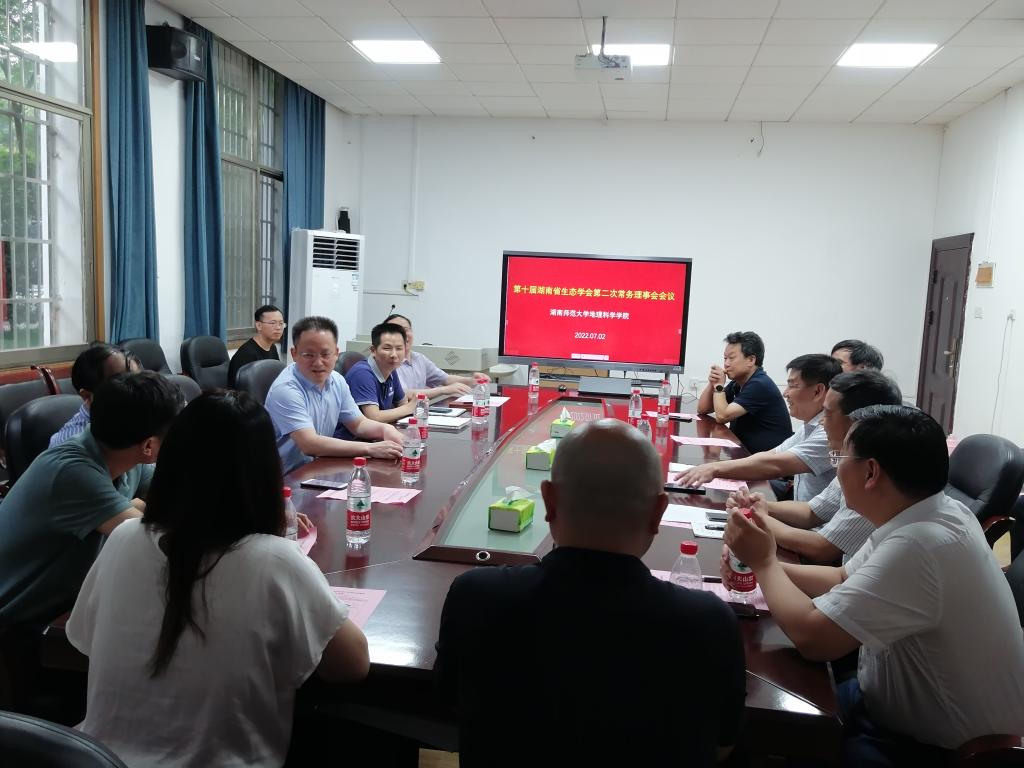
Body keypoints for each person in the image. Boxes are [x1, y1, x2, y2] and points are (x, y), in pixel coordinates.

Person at [66, 391, 370, 766]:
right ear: (265, 473)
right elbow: (352, 665)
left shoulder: (124, 538)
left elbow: (84, 639)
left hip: (100, 760)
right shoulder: (274, 560)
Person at [723, 405, 1024, 765]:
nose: (836, 469)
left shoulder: (920, 545)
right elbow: (840, 578)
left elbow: (814, 639)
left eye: (840, 457)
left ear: (870, 472)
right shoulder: (933, 513)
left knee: (747, 727)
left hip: (929, 750)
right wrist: (759, 564)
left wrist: (764, 563)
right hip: (881, 701)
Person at [435, 419, 745, 767]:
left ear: (548, 501)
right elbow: (722, 745)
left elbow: (448, 703)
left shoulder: (476, 597)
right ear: (658, 512)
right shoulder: (709, 623)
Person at [0, 372, 183, 628]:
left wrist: (136, 508)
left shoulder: (123, 454)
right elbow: (156, 541)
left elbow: (174, 498)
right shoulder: (72, 472)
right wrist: (136, 508)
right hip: (21, 623)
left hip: (70, 600)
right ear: (149, 447)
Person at [727, 370, 903, 565]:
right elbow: (812, 512)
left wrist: (758, 518)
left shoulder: (876, 479)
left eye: (828, 413)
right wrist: (759, 506)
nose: (821, 421)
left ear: (858, 423)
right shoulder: (852, 460)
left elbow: (822, 549)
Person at [677, 354, 841, 503]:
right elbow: (772, 455)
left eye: (792, 386)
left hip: (808, 517)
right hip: (798, 505)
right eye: (725, 358)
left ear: (818, 391)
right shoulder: (810, 425)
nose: (785, 393)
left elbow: (776, 465)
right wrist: (714, 467)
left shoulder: (829, 433)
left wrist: (714, 468)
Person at [265, 316, 403, 474]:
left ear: (336, 353)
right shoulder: (286, 389)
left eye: (325, 354)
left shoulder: (336, 380)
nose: (318, 362)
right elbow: (309, 444)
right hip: (286, 477)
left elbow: (358, 424)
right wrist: (370, 448)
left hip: (320, 467)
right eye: (309, 355)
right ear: (294, 353)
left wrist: (385, 429)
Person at [697, 331, 793, 454]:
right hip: (744, 453)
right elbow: (703, 409)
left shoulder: (759, 384)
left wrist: (719, 386)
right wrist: (713, 383)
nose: (726, 364)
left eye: (731, 358)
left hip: (767, 461)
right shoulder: (738, 383)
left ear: (751, 360)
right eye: (725, 358)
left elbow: (722, 416)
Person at [50, 342, 139, 448]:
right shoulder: (71, 447)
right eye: (123, 384)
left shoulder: (132, 419)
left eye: (138, 379)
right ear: (88, 396)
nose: (139, 390)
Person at [338, 321, 416, 437]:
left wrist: (408, 407)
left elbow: (402, 403)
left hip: (377, 436)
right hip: (352, 441)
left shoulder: (390, 369)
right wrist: (409, 408)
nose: (394, 355)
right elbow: (373, 417)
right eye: (387, 348)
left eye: (399, 348)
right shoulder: (362, 373)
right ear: (373, 350)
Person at [385, 313, 490, 398]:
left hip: (417, 411)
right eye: (396, 331)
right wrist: (443, 390)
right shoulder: (387, 363)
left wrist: (472, 380)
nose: (402, 335)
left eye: (406, 329)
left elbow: (446, 379)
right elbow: (403, 393)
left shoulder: (419, 358)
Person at [228, 304, 284, 388]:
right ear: (259, 326)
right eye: (273, 323)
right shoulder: (246, 354)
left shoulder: (272, 347)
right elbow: (241, 389)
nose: (278, 327)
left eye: (281, 323)